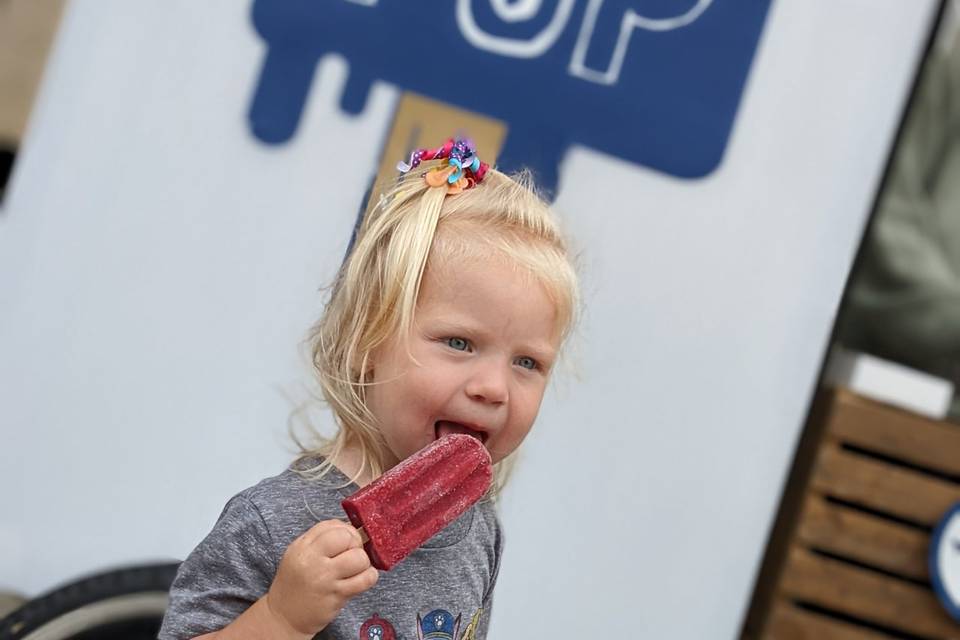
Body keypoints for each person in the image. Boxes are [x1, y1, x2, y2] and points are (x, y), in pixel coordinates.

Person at [158, 137, 580, 639]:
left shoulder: (478, 532)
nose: (494, 387)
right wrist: (280, 618)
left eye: (527, 362)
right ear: (366, 341)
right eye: (460, 343)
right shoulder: (273, 520)